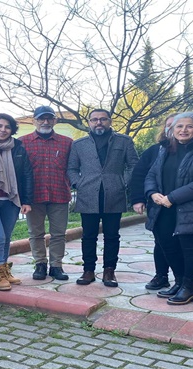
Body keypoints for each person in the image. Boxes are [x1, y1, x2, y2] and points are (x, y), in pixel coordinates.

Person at [145, 112, 193, 305]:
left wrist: (172, 197)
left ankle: (189, 288)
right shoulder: (165, 149)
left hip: (190, 209)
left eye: (189, 126)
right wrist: (152, 192)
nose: (184, 130)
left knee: (189, 250)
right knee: (168, 247)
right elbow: (151, 174)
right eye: (179, 126)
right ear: (172, 129)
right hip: (162, 208)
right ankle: (179, 282)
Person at [68, 109, 139, 287]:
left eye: (103, 119)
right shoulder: (79, 144)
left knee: (112, 236)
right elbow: (71, 168)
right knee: (88, 235)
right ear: (89, 122)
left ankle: (109, 270)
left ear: (110, 121)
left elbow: (133, 165)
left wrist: (123, 182)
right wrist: (79, 183)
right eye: (94, 120)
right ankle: (88, 270)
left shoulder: (124, 141)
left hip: (114, 194)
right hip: (88, 195)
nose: (98, 122)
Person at [0, 114, 34, 290]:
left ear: (12, 130)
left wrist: (26, 200)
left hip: (11, 200)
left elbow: (26, 174)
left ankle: (4, 270)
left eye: (7, 127)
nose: (3, 130)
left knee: (6, 237)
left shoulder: (18, 147)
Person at [19, 106, 73, 281]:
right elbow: (19, 171)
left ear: (55, 121)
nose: (45, 122)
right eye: (41, 118)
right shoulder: (23, 142)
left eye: (49, 118)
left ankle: (56, 266)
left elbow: (73, 168)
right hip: (33, 196)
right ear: (34, 120)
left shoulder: (67, 142)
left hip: (59, 194)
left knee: (59, 233)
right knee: (36, 233)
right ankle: (40, 264)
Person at [129, 114, 176, 290]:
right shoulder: (154, 150)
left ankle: (185, 280)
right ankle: (161, 276)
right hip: (158, 204)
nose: (173, 129)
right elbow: (140, 174)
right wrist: (138, 199)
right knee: (161, 242)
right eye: (169, 125)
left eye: (178, 125)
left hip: (186, 206)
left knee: (185, 245)